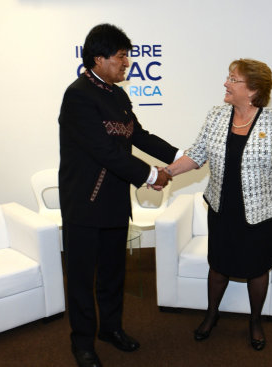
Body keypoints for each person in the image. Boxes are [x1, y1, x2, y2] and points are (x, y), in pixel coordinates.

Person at [58, 24, 180, 367]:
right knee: (82, 279)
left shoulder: (117, 94)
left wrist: (180, 155)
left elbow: (137, 135)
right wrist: (152, 174)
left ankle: (110, 329)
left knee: (113, 273)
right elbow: (104, 151)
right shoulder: (78, 95)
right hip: (84, 204)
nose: (127, 62)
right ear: (99, 58)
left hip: (113, 202)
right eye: (122, 56)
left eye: (127, 55)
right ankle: (82, 343)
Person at [163, 59, 272, 351]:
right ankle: (211, 315)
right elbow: (197, 154)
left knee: (257, 269)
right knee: (219, 265)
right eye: (228, 77)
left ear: (252, 90)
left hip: (261, 213)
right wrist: (167, 173)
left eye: (233, 79)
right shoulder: (216, 116)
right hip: (223, 209)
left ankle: (255, 321)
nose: (226, 83)